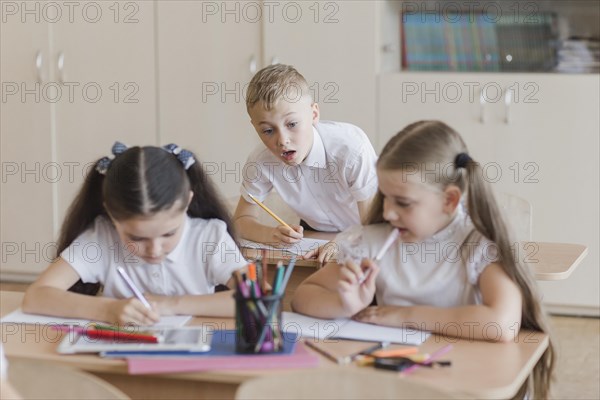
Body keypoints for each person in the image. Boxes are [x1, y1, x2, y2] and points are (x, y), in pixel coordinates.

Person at [291, 121, 554, 398]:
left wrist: (405, 316)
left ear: (450, 201)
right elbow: (303, 296)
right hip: (401, 382)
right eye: (385, 198)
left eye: (403, 202)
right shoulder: (371, 241)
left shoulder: (478, 244)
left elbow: (502, 324)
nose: (389, 213)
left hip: (468, 381)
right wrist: (344, 303)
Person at [23, 142, 247, 326]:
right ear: (111, 214)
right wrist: (109, 310)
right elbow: (36, 296)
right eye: (137, 238)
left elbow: (257, 301)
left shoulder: (209, 237)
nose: (155, 249)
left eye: (169, 233)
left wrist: (171, 304)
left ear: (187, 201)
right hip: (117, 357)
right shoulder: (101, 238)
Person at [233, 64, 378, 255]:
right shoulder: (260, 161)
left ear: (314, 114)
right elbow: (241, 220)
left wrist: (342, 243)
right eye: (268, 131)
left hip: (367, 231)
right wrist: (272, 234)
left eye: (292, 124)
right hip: (314, 235)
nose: (282, 141)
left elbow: (375, 226)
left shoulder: (352, 149)